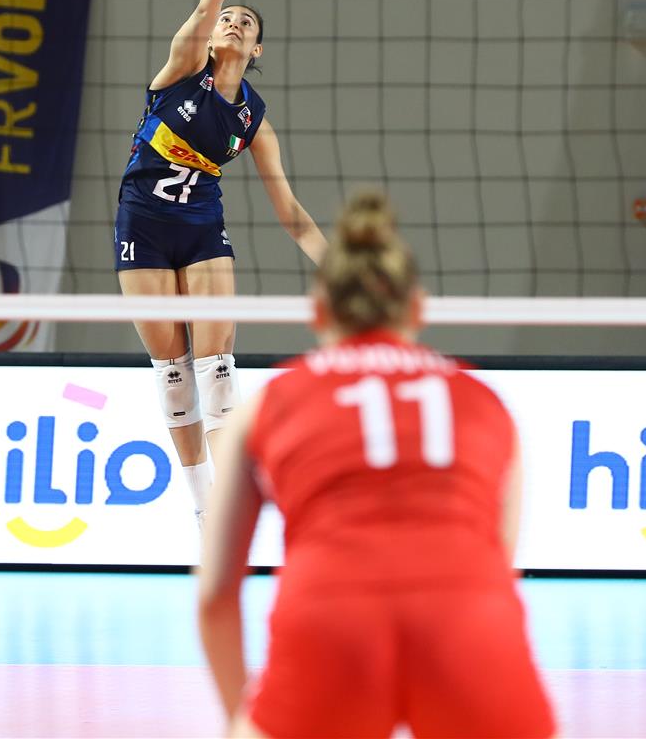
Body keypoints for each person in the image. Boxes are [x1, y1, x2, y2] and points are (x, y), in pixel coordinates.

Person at [199, 190, 557, 739]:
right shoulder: (487, 404)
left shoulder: (269, 405)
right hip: (467, 622)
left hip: (329, 621)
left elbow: (216, 594)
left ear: (318, 311)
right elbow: (499, 562)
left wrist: (238, 722)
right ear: (418, 308)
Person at [114, 0, 327, 528]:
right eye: (228, 19)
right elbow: (208, 6)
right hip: (142, 225)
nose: (233, 22)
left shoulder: (253, 120)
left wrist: (341, 268)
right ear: (211, 39)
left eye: (246, 23)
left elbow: (291, 214)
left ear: (256, 49)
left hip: (202, 228)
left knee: (218, 370)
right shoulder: (184, 66)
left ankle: (234, 506)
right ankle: (205, 507)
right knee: (174, 374)